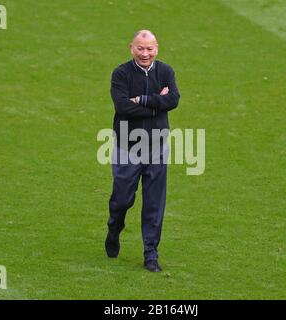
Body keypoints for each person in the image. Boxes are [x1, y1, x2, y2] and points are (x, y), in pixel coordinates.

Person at [105, 30, 180, 272]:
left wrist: (144, 100)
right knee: (122, 200)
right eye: (140, 48)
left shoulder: (166, 71)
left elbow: (174, 100)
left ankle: (151, 254)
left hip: (158, 146)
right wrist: (158, 103)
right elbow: (123, 107)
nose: (145, 53)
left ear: (157, 48)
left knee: (154, 205)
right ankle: (114, 228)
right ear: (131, 48)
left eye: (149, 49)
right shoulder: (121, 74)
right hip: (128, 147)